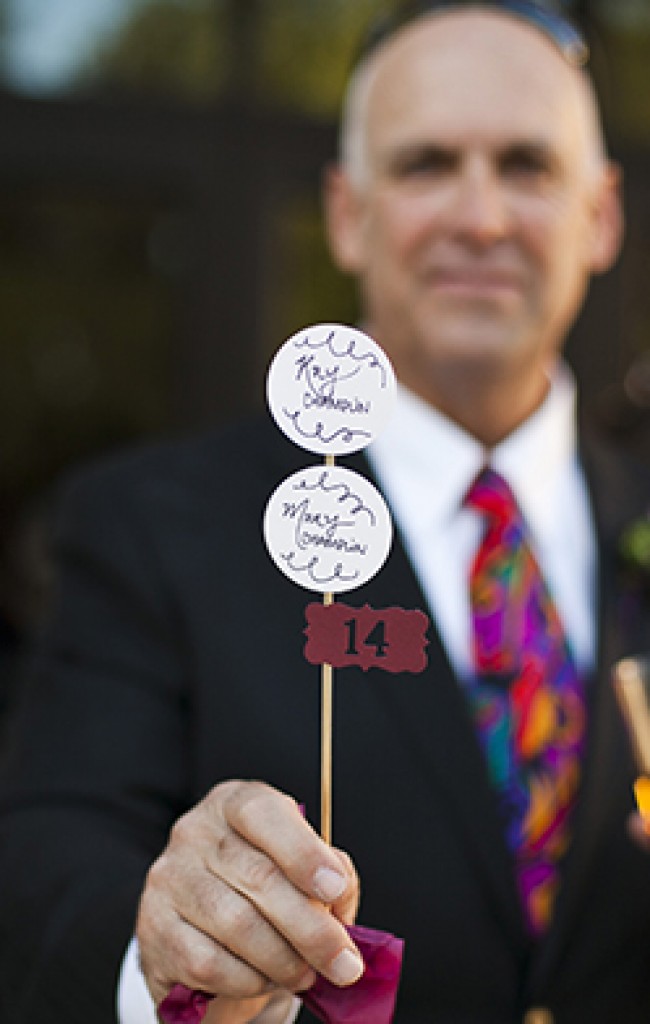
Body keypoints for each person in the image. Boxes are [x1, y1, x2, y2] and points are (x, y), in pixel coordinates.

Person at [0, 2, 648, 1022]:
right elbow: (41, 861)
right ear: (345, 212)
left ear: (600, 215)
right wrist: (159, 943)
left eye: (525, 166)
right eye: (425, 163)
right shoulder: (148, 524)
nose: (479, 216)